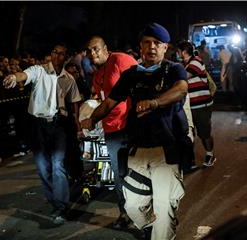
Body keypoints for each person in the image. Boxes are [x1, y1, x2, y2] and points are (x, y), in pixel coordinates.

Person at [81, 23, 188, 240]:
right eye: (147, 43)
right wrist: (92, 119)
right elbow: (110, 102)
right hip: (137, 151)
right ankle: (153, 225)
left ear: (165, 47)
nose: (152, 47)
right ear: (140, 47)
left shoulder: (173, 69)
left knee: (163, 211)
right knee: (133, 207)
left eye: (157, 43)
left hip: (165, 152)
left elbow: (181, 89)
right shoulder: (131, 75)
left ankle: (163, 230)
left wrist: (154, 103)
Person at [3, 43, 82, 225]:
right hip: (37, 124)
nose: (56, 56)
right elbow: (24, 75)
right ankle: (55, 201)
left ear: (66, 58)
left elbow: (74, 105)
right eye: (54, 51)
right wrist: (14, 77)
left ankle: (60, 207)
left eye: (61, 54)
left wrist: (78, 127)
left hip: (59, 124)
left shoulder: (69, 79)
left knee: (57, 164)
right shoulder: (39, 71)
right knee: (41, 166)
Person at [86, 35, 137, 229]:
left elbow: (139, 81)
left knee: (138, 171)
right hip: (111, 130)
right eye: (89, 51)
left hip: (129, 126)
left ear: (105, 48)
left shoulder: (120, 60)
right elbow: (101, 100)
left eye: (96, 49)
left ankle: (146, 211)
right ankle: (125, 213)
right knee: (119, 175)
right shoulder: (98, 75)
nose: (92, 53)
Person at [177, 40, 217, 167]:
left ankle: (210, 155)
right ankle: (191, 160)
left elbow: (183, 77)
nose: (176, 53)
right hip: (190, 105)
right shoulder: (185, 64)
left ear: (183, 52)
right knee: (189, 133)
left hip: (202, 104)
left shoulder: (196, 62)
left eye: (178, 51)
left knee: (204, 133)